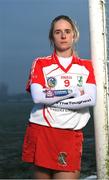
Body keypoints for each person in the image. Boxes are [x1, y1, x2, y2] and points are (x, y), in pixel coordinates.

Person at [22, 15, 96, 179]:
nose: (63, 36)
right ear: (51, 36)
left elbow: (91, 99)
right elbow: (38, 97)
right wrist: (72, 92)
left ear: (74, 35)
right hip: (42, 130)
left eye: (67, 31)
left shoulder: (87, 66)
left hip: (70, 134)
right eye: (58, 32)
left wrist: (52, 96)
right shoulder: (40, 63)